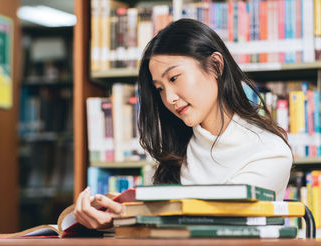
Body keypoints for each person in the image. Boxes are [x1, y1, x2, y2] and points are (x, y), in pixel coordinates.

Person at [74, 18, 292, 229]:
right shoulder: (176, 151)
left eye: (174, 78)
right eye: (159, 88)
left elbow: (220, 221)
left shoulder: (270, 152)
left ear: (216, 66)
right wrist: (107, 214)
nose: (169, 98)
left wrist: (133, 215)